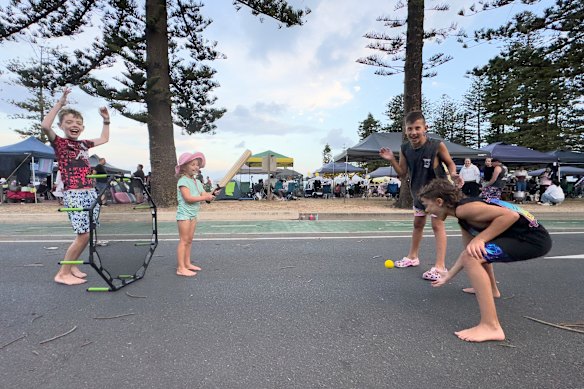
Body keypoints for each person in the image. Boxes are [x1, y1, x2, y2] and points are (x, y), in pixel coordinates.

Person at [418, 178, 552, 342]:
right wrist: (448, 276)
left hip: (533, 240)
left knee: (476, 253)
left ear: (439, 202)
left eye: (427, 205)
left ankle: (491, 326)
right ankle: (492, 290)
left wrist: (481, 239)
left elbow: (510, 215)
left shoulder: (464, 209)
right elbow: (468, 251)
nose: (426, 210)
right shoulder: (463, 218)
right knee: (476, 253)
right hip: (528, 237)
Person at [379, 110, 463, 281]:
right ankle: (412, 257)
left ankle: (440, 267)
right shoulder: (405, 148)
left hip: (437, 194)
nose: (413, 132)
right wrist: (392, 159)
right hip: (418, 192)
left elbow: (450, 163)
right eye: (410, 129)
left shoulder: (436, 145)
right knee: (418, 223)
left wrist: (453, 174)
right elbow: (402, 173)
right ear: (405, 130)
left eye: (417, 128)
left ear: (425, 128)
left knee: (437, 226)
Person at [41, 87, 110, 285]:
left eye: (78, 123)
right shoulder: (60, 143)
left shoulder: (83, 145)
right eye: (69, 122)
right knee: (83, 235)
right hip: (75, 194)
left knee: (88, 234)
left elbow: (105, 138)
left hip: (90, 192)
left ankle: (72, 266)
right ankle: (62, 273)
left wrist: (106, 120)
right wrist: (60, 104)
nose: (74, 125)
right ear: (61, 126)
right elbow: (45, 125)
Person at [175, 151, 215, 277]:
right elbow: (188, 198)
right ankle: (181, 268)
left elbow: (203, 195)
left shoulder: (197, 181)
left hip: (193, 214)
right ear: (184, 166)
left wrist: (211, 195)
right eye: (192, 164)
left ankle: (187, 264)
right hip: (184, 215)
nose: (196, 167)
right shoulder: (183, 181)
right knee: (183, 240)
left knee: (189, 240)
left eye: (197, 164)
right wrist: (205, 198)